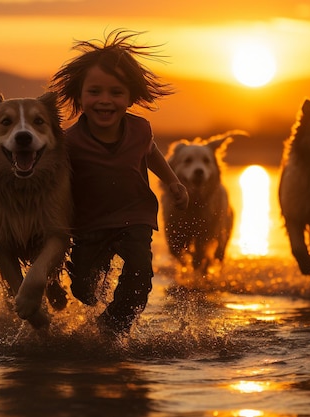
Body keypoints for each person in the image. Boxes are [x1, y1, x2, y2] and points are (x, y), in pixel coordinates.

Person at [49, 29, 189, 335]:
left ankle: (114, 325)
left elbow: (151, 154)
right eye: (95, 92)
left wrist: (173, 182)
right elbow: (52, 181)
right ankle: (94, 310)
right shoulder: (69, 143)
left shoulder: (140, 130)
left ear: (130, 97)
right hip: (89, 224)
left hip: (135, 216)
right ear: (79, 95)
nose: (105, 101)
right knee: (85, 289)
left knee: (140, 273)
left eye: (116, 92)